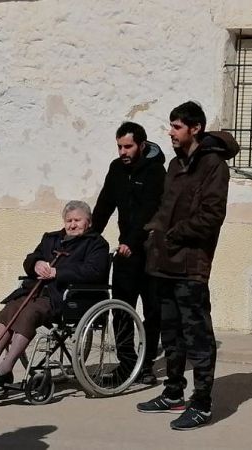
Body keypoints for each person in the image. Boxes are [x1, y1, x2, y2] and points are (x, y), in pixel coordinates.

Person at [135, 102, 240, 430]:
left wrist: (174, 235)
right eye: (171, 125)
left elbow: (212, 215)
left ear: (195, 129)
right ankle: (173, 393)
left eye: (177, 126)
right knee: (171, 333)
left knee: (197, 335)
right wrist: (153, 234)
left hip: (191, 264)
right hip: (164, 261)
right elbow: (165, 209)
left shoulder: (213, 165)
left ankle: (202, 403)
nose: (171, 132)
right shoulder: (174, 164)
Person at [0, 200, 109, 386]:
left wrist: (57, 272)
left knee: (29, 312)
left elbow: (94, 272)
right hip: (36, 290)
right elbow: (31, 258)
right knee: (11, 308)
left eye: (77, 220)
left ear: (89, 222)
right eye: (68, 220)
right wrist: (36, 264)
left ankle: (6, 367)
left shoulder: (96, 244)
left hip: (66, 297)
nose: (72, 225)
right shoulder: (51, 239)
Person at [91, 121, 166, 384]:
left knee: (153, 311)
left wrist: (132, 241)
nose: (123, 152)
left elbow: (149, 211)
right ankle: (127, 363)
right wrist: (90, 238)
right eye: (120, 147)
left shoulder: (156, 171)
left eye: (128, 146)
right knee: (121, 309)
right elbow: (104, 205)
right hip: (126, 253)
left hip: (151, 252)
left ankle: (145, 365)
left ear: (141, 145)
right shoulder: (116, 169)